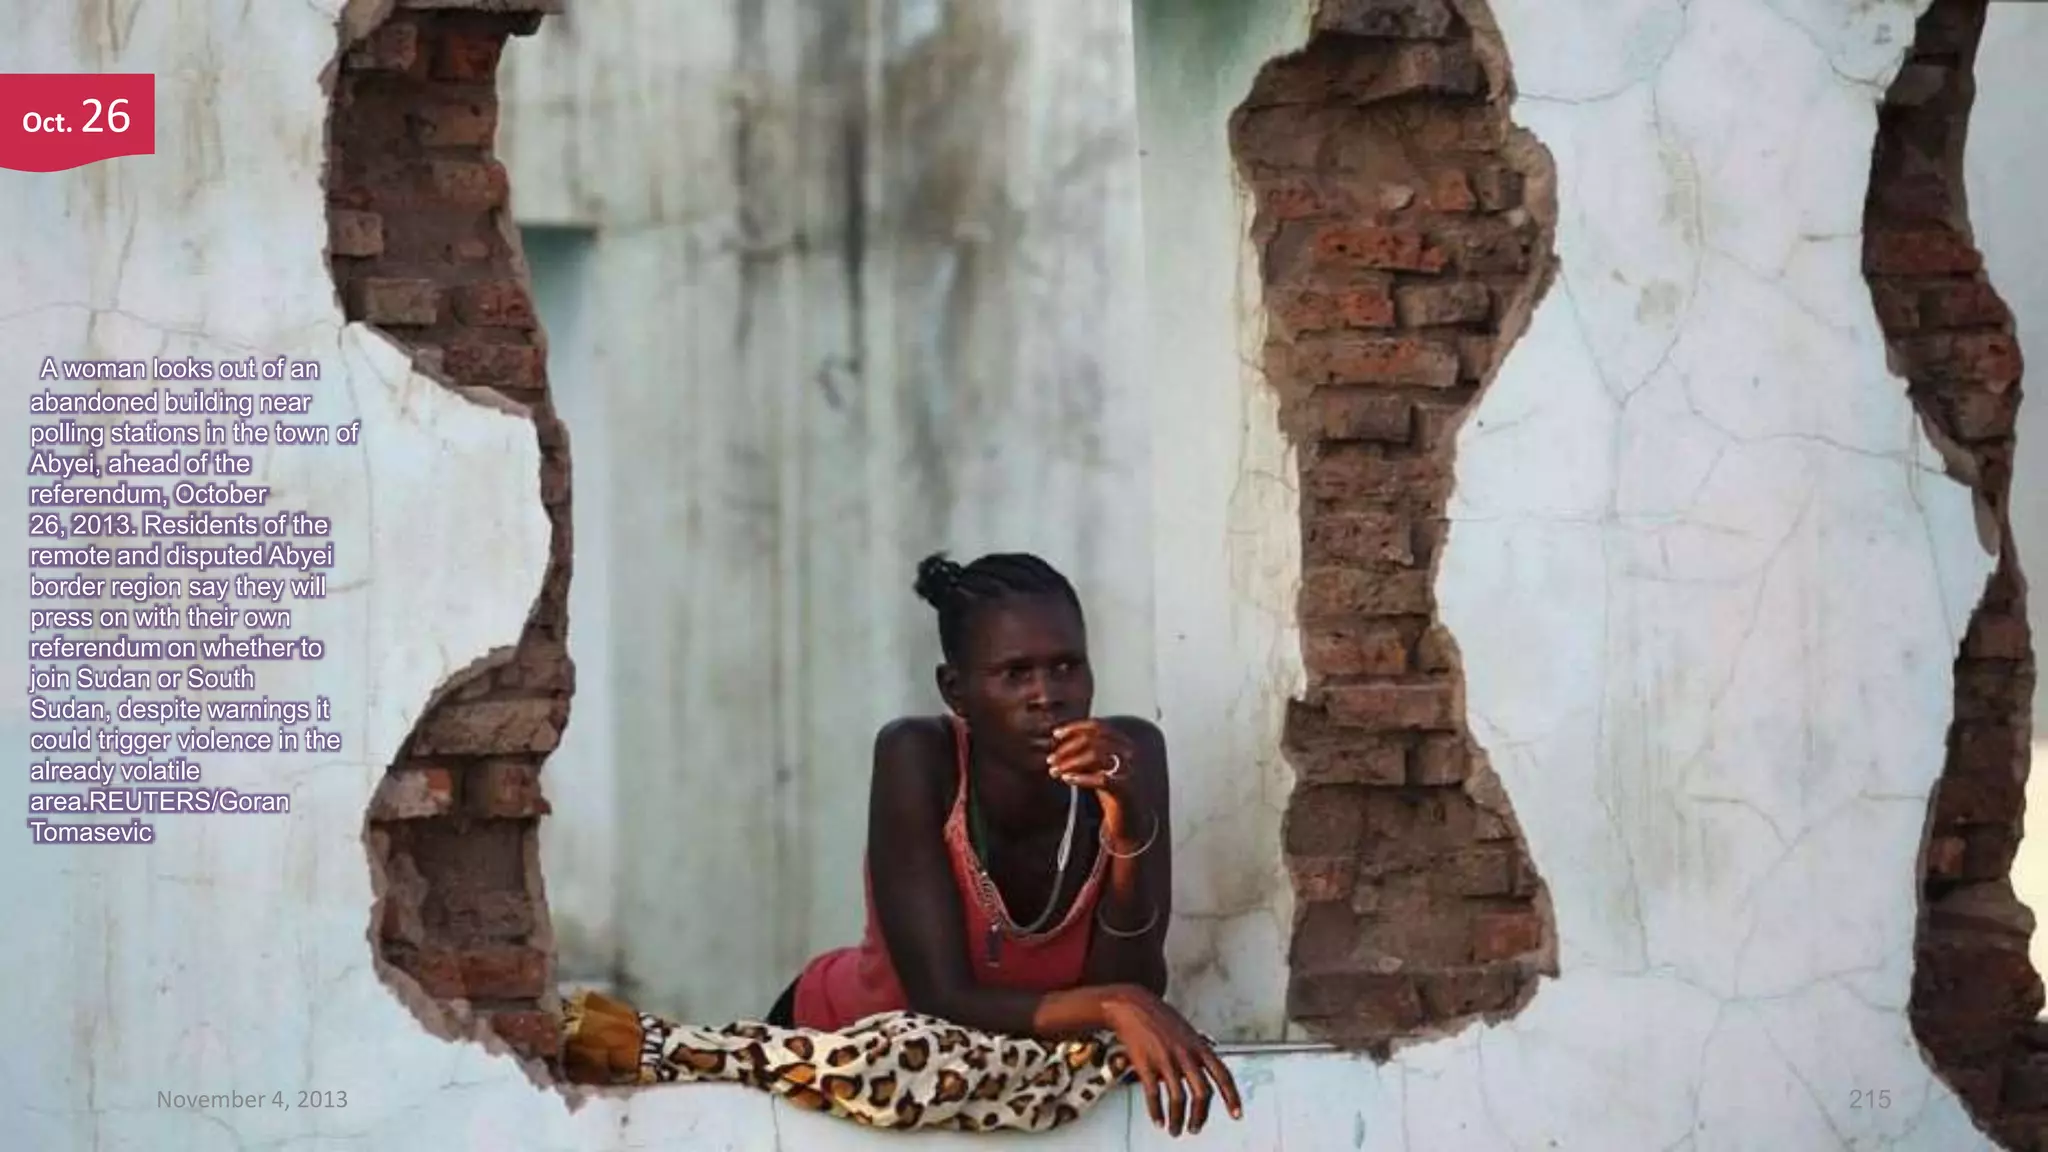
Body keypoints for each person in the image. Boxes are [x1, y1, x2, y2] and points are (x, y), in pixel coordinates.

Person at [766, 550, 1242, 1137]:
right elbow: (940, 1000)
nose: (1047, 695)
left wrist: (1126, 821)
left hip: (992, 1078)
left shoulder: (1131, 756)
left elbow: (1134, 977)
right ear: (955, 690)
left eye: (1067, 666)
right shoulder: (919, 758)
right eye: (1015, 674)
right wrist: (1113, 1004)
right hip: (840, 1051)